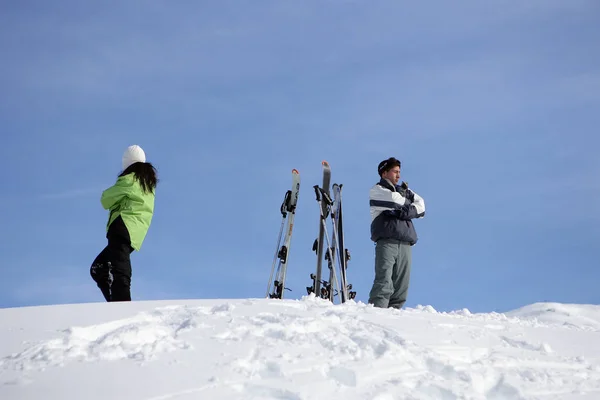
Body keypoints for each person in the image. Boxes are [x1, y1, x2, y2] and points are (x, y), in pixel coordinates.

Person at [90, 145, 158, 302]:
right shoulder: (148, 184)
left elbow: (105, 199)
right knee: (99, 267)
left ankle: (122, 306)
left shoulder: (130, 180)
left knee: (117, 269)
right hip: (135, 233)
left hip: (122, 227)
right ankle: (116, 302)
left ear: (126, 163)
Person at [368, 157, 425, 309]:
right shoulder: (377, 190)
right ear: (384, 173)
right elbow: (394, 201)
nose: (398, 175)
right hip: (387, 242)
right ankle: (377, 312)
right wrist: (408, 207)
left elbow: (422, 206)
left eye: (399, 172)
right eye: (395, 172)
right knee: (384, 280)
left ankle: (394, 316)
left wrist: (401, 211)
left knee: (402, 285)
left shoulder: (404, 191)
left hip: (405, 243)